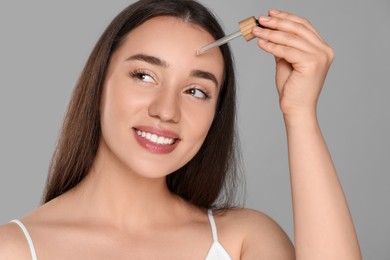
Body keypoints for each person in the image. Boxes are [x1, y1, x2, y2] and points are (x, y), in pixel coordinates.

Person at [0, 0, 361, 259]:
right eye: (144, 76)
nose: (166, 110)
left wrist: (299, 113)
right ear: (98, 87)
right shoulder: (14, 249)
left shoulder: (242, 240)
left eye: (195, 91)